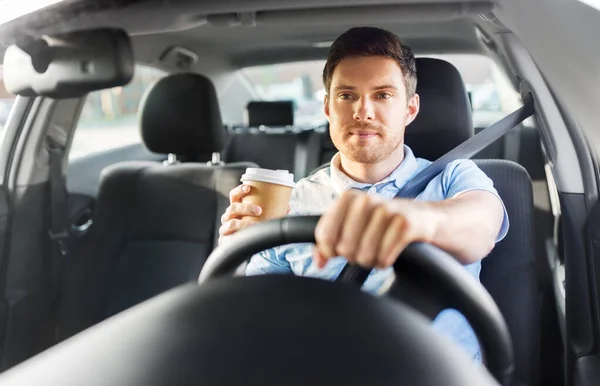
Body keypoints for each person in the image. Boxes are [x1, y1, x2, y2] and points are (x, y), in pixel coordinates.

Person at [218, 26, 508, 363]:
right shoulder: (292, 201)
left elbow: (482, 227)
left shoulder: (453, 177)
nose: (363, 111)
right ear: (327, 108)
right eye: (347, 95)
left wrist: (415, 219)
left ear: (410, 109)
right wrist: (236, 257)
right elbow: (257, 321)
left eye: (383, 95)